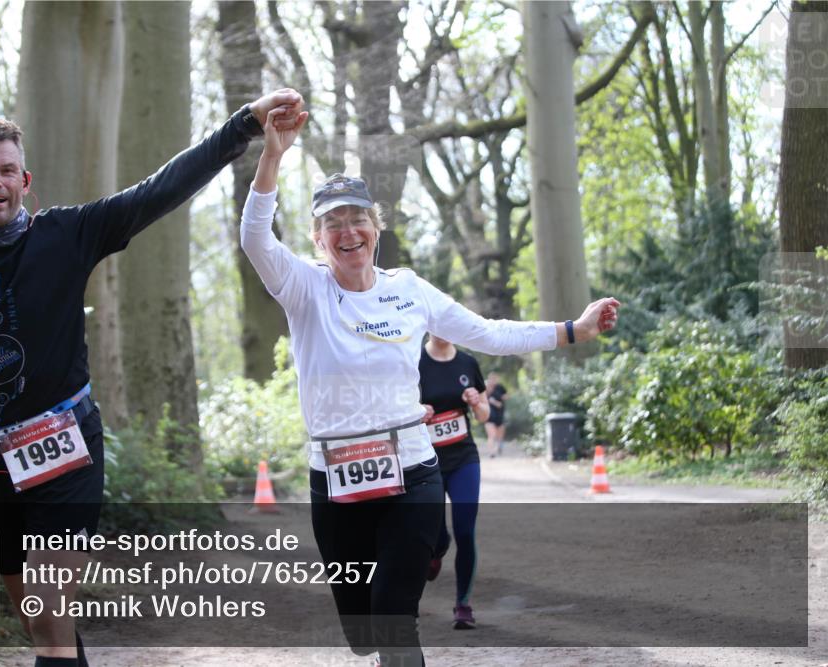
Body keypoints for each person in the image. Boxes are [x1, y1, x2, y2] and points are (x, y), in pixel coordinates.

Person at [0, 88, 304, 667]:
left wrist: (244, 123)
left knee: (48, 602)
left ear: (25, 180)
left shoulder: (69, 233)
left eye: (6, 170)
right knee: (37, 614)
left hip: (65, 451)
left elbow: (163, 187)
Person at [240, 105, 620, 666]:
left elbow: (486, 333)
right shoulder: (303, 288)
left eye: (358, 219)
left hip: (411, 473)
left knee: (396, 623)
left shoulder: (410, 289)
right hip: (337, 482)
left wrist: (572, 329)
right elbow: (254, 237)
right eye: (333, 223)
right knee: (364, 633)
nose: (348, 231)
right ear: (318, 239)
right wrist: (272, 155)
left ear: (377, 227)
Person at [418, 335, 488, 629]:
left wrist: (476, 403)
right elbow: (395, 409)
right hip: (425, 460)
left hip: (463, 458)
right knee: (429, 535)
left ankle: (463, 604)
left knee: (465, 530)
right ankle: (435, 551)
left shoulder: (467, 362)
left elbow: (484, 415)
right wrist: (417, 413)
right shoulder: (413, 361)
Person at [484, 372, 509, 458]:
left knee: (500, 435)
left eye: (495, 379)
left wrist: (501, 398)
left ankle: (499, 446)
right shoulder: (486, 388)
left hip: (500, 414)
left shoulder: (500, 387)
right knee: (492, 435)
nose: (493, 381)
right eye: (491, 379)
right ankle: (492, 452)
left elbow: (506, 396)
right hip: (489, 415)